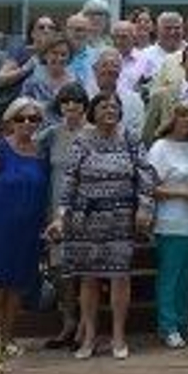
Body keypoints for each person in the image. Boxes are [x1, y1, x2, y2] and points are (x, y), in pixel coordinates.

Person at [47, 92, 155, 359]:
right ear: (93, 112)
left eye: (115, 106)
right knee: (89, 278)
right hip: (85, 221)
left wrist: (144, 207)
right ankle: (90, 337)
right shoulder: (81, 141)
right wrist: (61, 215)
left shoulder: (130, 139)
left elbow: (145, 176)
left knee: (120, 277)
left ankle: (119, 336)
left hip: (120, 219)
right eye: (104, 106)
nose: (110, 110)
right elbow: (69, 181)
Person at [0, 97, 51, 351]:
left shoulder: (41, 153)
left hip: (29, 230)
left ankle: (7, 337)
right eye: (21, 118)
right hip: (0, 227)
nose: (27, 123)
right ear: (11, 121)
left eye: (33, 118)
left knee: (18, 285)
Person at [145, 102, 188, 348]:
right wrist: (184, 193)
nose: (187, 120)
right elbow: (152, 187)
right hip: (171, 221)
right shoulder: (160, 147)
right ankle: (168, 325)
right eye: (183, 115)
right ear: (173, 118)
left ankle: (183, 320)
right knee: (170, 275)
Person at [37, 84, 91, 349]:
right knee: (61, 270)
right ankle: (68, 321)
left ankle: (84, 326)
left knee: (86, 270)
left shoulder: (93, 134)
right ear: (59, 106)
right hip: (56, 209)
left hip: (88, 210)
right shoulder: (50, 135)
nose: (71, 106)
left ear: (84, 105)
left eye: (77, 102)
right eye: (66, 102)